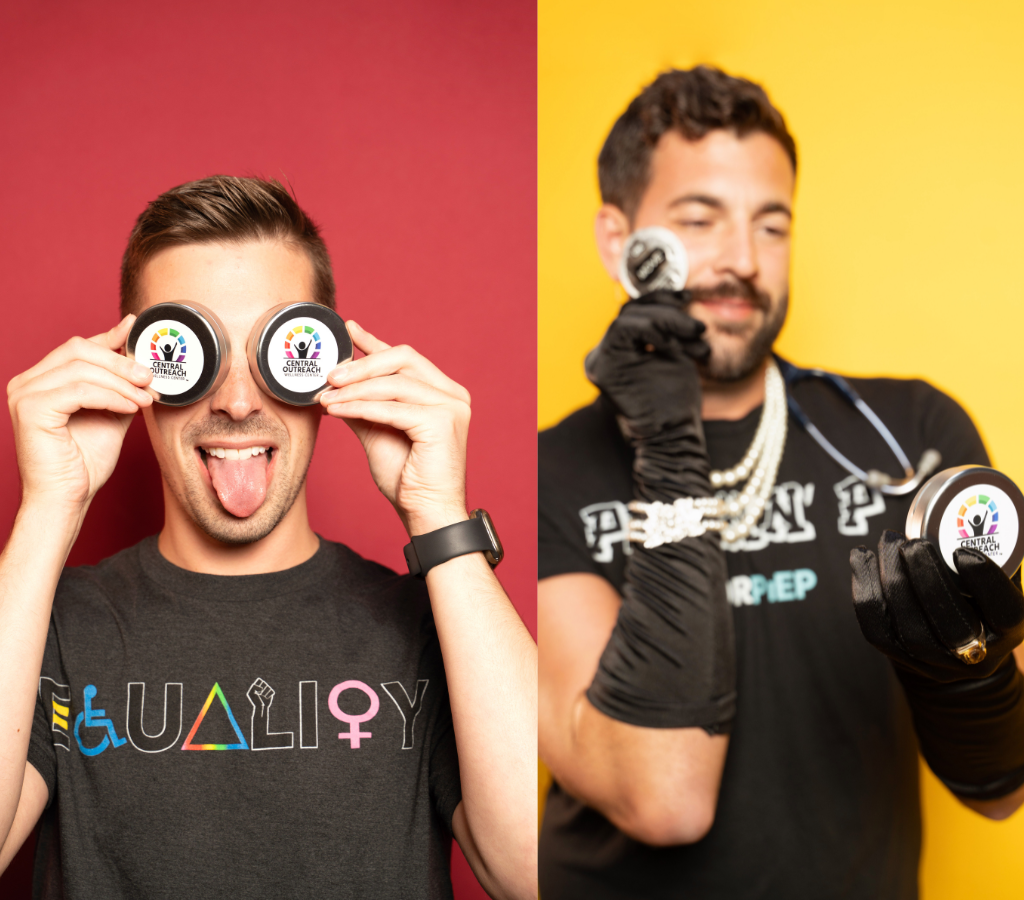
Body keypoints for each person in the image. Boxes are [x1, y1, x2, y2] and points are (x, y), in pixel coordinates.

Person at [538, 66, 1024, 898]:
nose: (742, 263)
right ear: (620, 243)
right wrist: (666, 437)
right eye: (700, 219)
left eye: (772, 226)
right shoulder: (550, 471)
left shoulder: (908, 437)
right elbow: (665, 799)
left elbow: (1001, 793)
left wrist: (969, 676)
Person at [0, 176, 537, 899]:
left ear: (327, 366)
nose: (238, 400)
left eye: (275, 352)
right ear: (134, 367)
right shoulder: (49, 623)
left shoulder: (435, 622)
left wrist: (438, 512)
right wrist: (48, 509)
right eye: (194, 352)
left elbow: (534, 871)